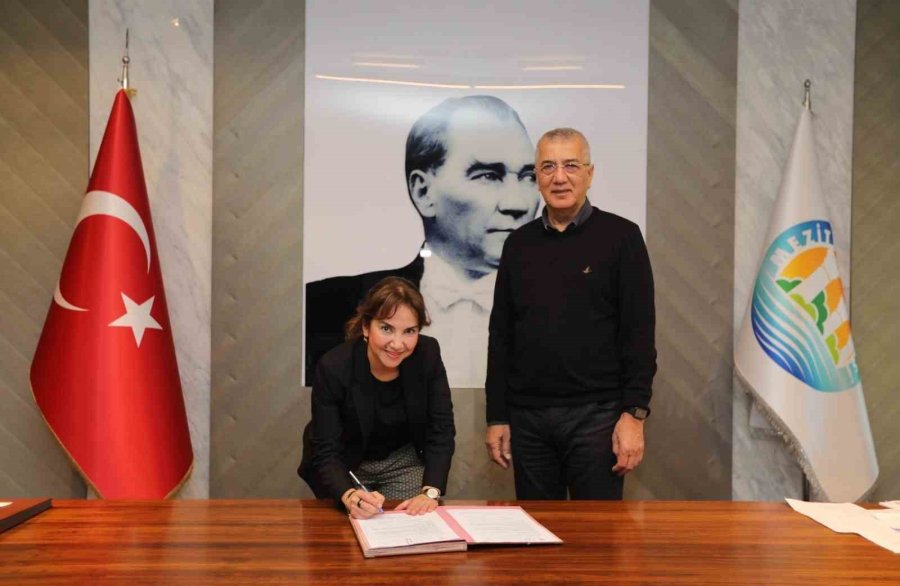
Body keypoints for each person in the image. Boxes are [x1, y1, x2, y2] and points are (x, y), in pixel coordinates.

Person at [305, 95, 540, 387]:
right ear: (423, 192)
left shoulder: (561, 304)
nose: (518, 203)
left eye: (529, 177)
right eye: (488, 176)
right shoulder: (327, 305)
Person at [484, 128, 656, 500]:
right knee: (535, 529)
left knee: (596, 532)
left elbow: (639, 334)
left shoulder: (622, 237)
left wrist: (634, 415)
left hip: (598, 418)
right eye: (548, 167)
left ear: (589, 174)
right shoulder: (518, 245)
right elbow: (501, 336)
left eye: (571, 166)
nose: (559, 177)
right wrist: (496, 416)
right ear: (536, 176)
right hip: (528, 421)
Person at [298, 277, 455, 518]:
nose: (397, 344)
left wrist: (430, 492)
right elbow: (326, 449)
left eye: (410, 331)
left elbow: (441, 428)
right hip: (346, 463)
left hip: (402, 463)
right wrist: (349, 496)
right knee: (347, 531)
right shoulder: (334, 367)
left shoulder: (428, 354)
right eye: (386, 329)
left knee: (412, 522)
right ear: (365, 327)